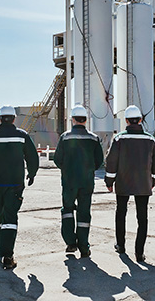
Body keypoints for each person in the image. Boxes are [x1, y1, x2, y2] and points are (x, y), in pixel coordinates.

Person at [0, 105, 39, 269]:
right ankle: (7, 255)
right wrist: (32, 174)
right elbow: (32, 157)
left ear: (0, 118)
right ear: (14, 118)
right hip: (15, 184)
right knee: (10, 217)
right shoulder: (22, 135)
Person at [104, 105, 155, 263]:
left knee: (120, 214)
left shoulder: (119, 139)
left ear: (126, 121)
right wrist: (153, 181)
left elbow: (111, 162)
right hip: (143, 184)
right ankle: (139, 253)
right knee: (142, 218)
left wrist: (109, 182)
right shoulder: (151, 140)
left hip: (123, 183)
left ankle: (121, 246)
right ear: (141, 120)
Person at [53, 104, 104, 258]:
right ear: (86, 120)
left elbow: (57, 159)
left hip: (69, 182)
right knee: (84, 213)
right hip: (86, 182)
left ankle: (70, 242)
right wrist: (88, 170)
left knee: (67, 210)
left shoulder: (65, 137)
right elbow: (99, 161)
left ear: (72, 119)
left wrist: (67, 170)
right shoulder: (93, 138)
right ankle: (84, 246)